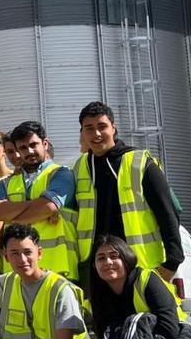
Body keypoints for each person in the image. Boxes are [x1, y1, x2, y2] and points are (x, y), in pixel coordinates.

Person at [75, 102, 184, 288]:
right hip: (99, 268)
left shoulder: (139, 162)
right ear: (82, 133)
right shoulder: (79, 168)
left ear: (113, 128)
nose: (96, 134)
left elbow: (168, 212)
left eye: (102, 126)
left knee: (147, 317)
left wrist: (173, 261)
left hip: (140, 265)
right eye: (89, 128)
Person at [0, 121, 81, 281]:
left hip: (58, 270)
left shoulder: (62, 174)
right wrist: (36, 205)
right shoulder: (7, 182)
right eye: (23, 148)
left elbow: (48, 206)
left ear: (45, 143)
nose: (29, 151)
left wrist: (12, 217)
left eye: (34, 145)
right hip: (18, 272)